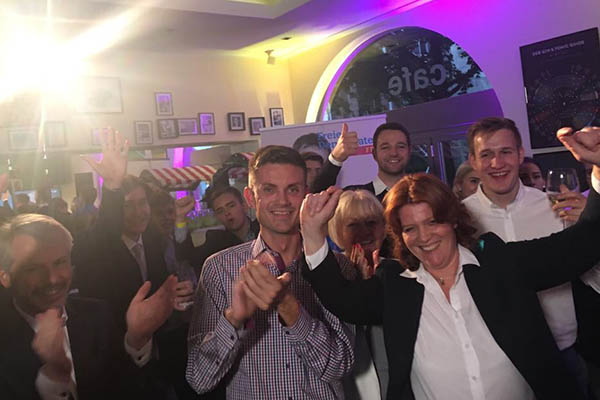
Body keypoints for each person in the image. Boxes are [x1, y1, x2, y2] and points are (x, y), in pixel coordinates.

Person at [300, 125, 600, 400]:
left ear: (453, 221)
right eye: (409, 229)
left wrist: (598, 167)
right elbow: (343, 300)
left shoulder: (501, 263)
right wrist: (313, 236)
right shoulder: (397, 287)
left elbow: (581, 247)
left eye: (433, 222)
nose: (424, 237)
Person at [186, 145, 354, 399]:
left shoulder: (337, 267)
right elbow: (199, 379)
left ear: (305, 195)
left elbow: (339, 366)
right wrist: (233, 319)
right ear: (251, 198)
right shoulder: (220, 269)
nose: (283, 201)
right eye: (269, 189)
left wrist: (290, 308)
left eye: (293, 189)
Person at [463, 118, 599, 393]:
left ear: (520, 155)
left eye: (506, 152)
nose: (496, 163)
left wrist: (588, 223)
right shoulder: (460, 219)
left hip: (565, 354)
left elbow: (592, 276)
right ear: (473, 161)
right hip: (498, 362)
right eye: (486, 154)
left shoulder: (557, 205)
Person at [71, 130, 196, 399]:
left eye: (143, 204)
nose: (139, 212)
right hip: (114, 364)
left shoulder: (151, 242)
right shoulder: (98, 247)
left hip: (159, 360)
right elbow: (104, 230)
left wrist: (172, 298)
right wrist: (113, 187)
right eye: (128, 206)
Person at [0, 212, 178, 400]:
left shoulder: (96, 316)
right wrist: (54, 377)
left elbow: (132, 390)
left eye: (60, 262)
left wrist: (137, 340)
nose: (52, 278)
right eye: (33, 268)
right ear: (5, 277)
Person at [328, 189, 389, 399]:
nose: (364, 233)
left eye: (371, 222)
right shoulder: (329, 278)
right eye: (353, 225)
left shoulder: (400, 272)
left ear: (383, 227)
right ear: (337, 229)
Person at [312, 122, 411, 201]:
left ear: (409, 151)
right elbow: (315, 198)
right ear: (374, 154)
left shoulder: (422, 192)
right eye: (385, 147)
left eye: (400, 146)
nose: (394, 153)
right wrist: (336, 158)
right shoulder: (354, 196)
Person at [174, 185, 259, 275]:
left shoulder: (262, 230)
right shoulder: (216, 242)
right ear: (217, 217)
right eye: (220, 211)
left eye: (231, 206)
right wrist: (180, 219)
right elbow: (187, 257)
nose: (227, 213)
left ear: (244, 206)